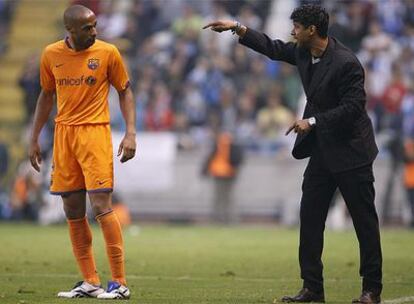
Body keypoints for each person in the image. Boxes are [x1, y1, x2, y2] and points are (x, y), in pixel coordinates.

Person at [204, 4, 382, 304]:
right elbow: (272, 48)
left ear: (312, 30)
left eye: (297, 27)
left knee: (364, 222)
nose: (292, 31)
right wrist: (237, 27)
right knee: (310, 218)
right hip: (323, 152)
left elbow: (354, 109)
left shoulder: (347, 63)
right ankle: (313, 288)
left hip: (352, 152)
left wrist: (312, 121)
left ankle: (371, 290)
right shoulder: (302, 52)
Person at [28, 5, 136, 300]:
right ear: (70, 31)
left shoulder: (108, 53)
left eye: (94, 25)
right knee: (72, 210)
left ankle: (119, 282)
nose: (94, 31)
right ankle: (90, 280)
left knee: (101, 204)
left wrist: (130, 132)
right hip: (64, 135)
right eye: (87, 28)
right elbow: (46, 95)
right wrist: (34, 138)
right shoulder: (51, 54)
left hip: (95, 132)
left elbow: (125, 90)